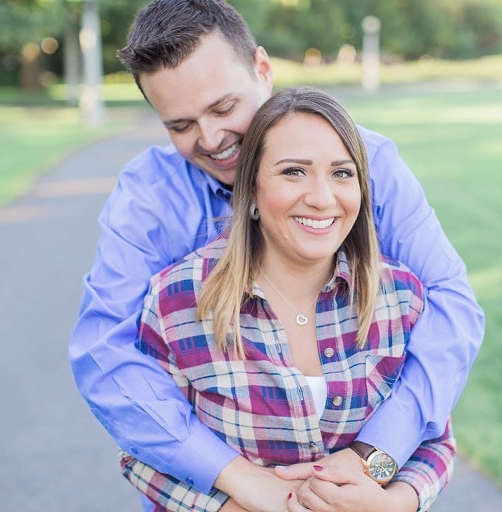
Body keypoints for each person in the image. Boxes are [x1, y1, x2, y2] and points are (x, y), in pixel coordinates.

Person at [68, 0, 484, 510]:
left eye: (224, 108)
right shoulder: (149, 199)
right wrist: (235, 484)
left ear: (262, 70)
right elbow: (104, 353)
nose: (212, 139)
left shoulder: (365, 163)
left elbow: (449, 306)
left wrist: (376, 460)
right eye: (180, 125)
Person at [120, 86, 456, 512]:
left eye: (341, 173)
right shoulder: (178, 301)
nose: (321, 198)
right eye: (294, 171)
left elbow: (434, 436)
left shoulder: (401, 297)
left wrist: (395, 503)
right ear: (253, 188)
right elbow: (140, 449)